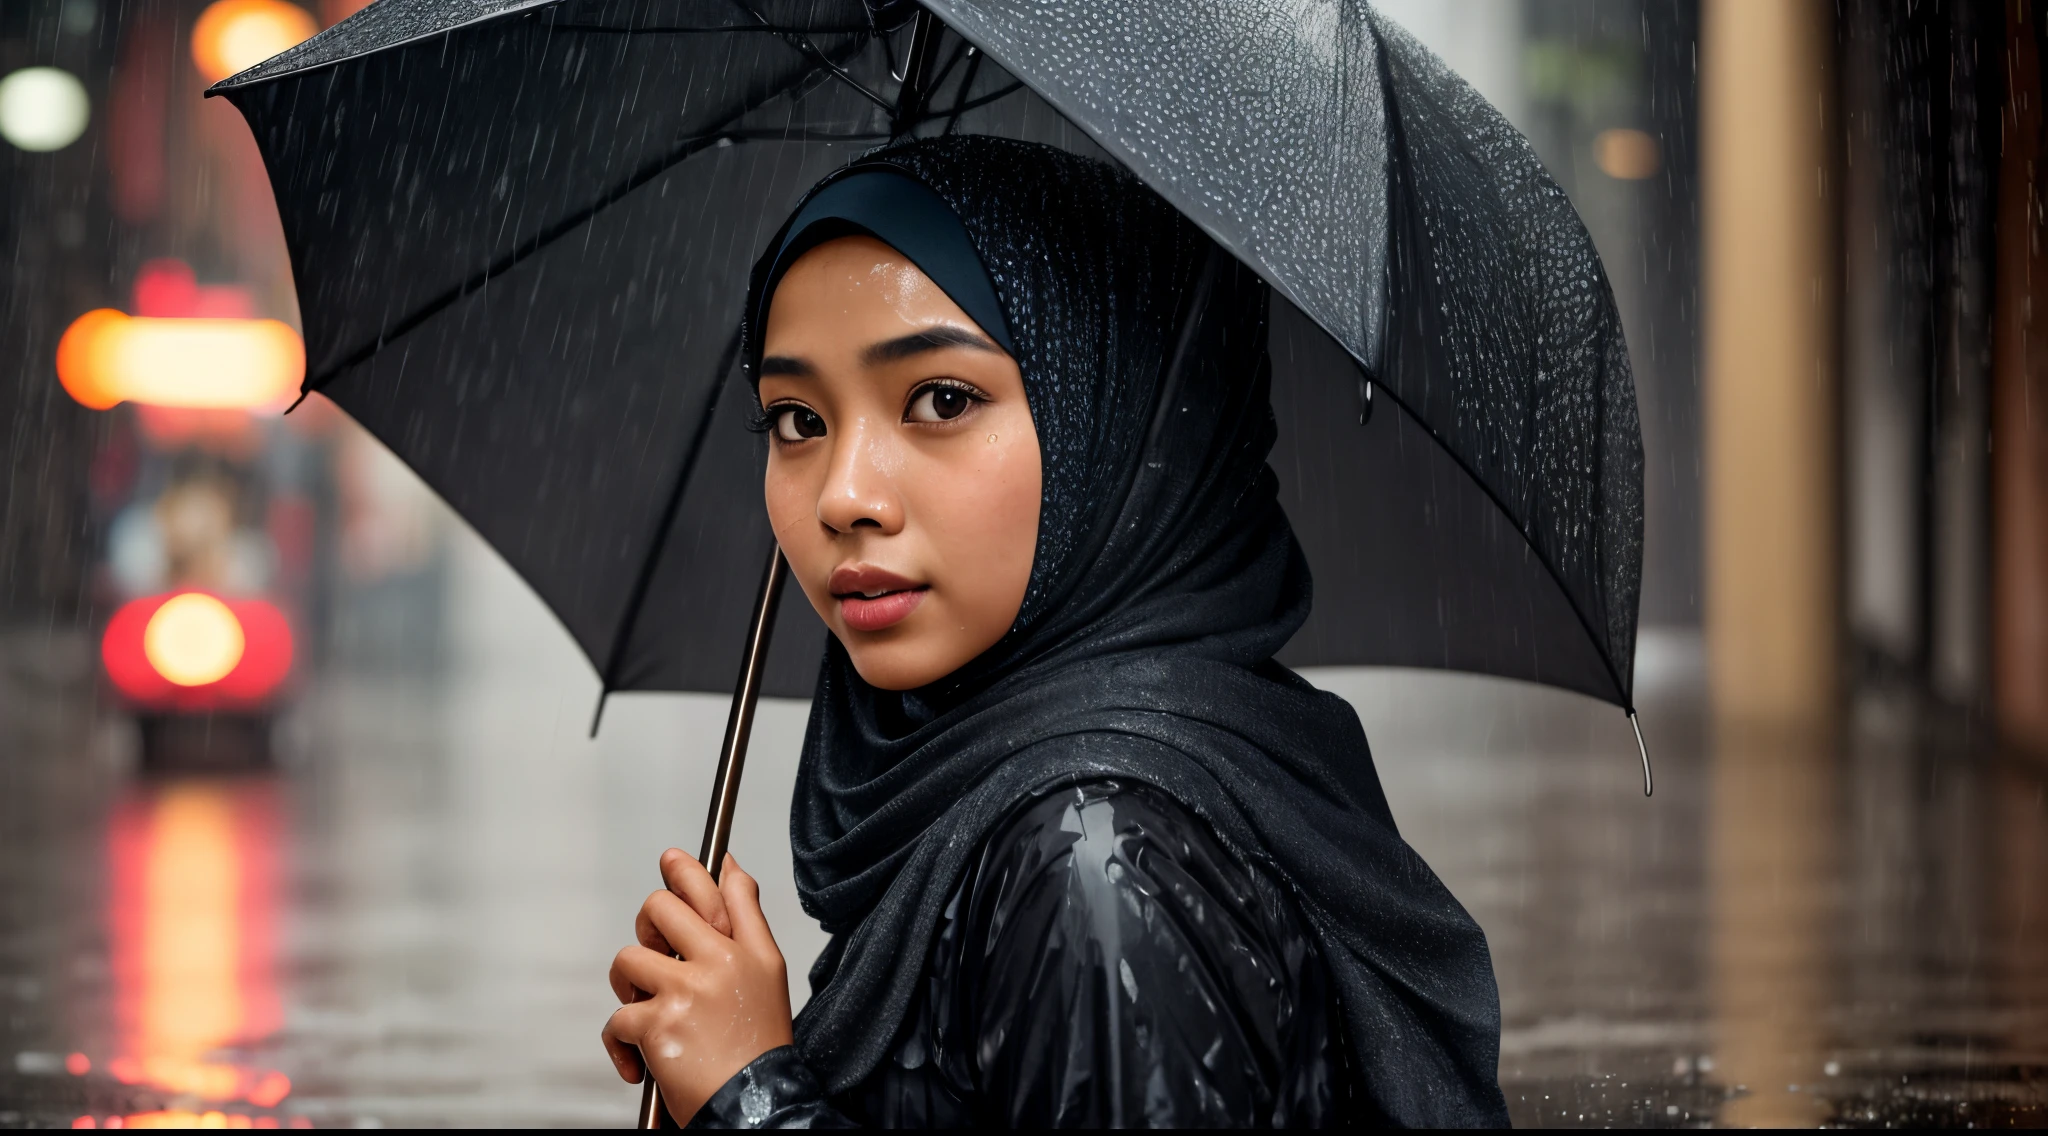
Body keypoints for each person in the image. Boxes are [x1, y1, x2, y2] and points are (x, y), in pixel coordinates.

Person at [599, 136, 1508, 1129]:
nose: (843, 494)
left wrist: (752, 1093)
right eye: (795, 419)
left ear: (1117, 431)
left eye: (939, 399)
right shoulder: (982, 802)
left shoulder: (1102, 863)